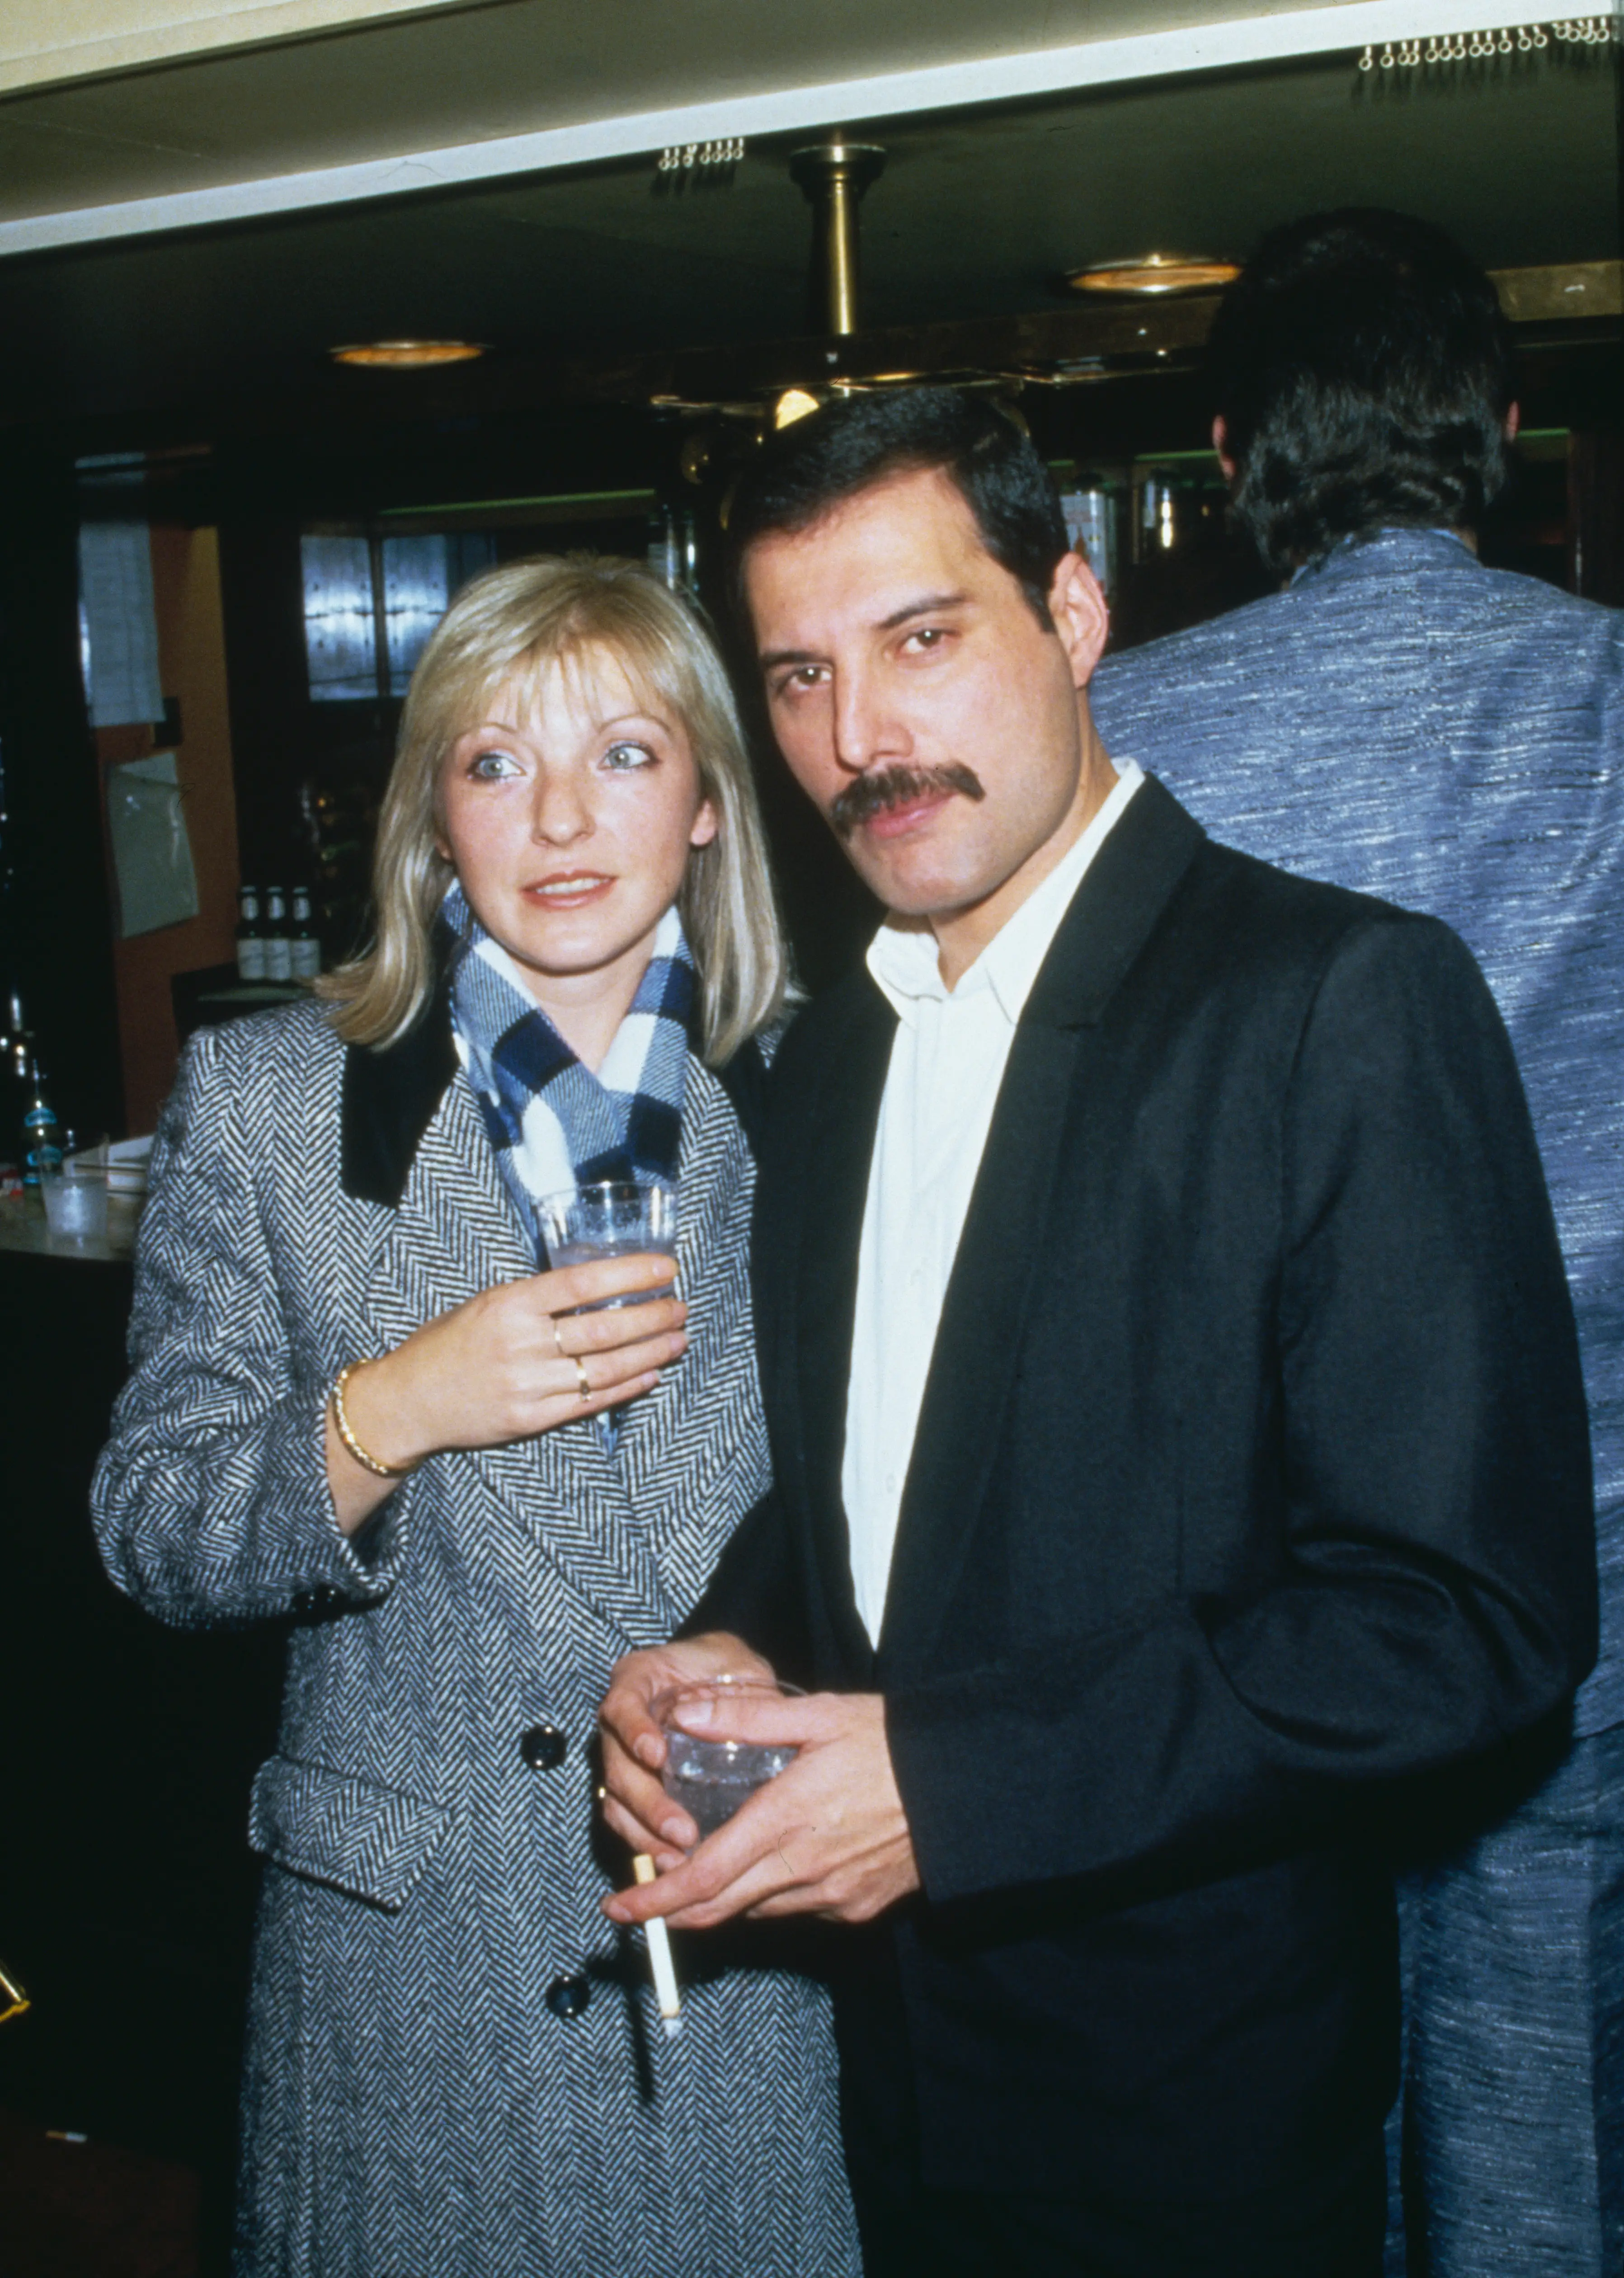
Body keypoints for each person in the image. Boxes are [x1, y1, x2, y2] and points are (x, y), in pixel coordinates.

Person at [596, 386, 1598, 2278]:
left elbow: (1471, 1621)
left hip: (1192, 2127)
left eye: (920, 639)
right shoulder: (834, 1052)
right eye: (800, 677)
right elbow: (889, 1489)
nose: (860, 739)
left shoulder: (1338, 1001)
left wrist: (954, 1789)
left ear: (1071, 615)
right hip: (893, 2087)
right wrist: (739, 1637)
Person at [90, 556, 860, 2278]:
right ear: (435, 818)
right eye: (497, 763)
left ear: (713, 801)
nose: (561, 819)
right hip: (409, 1999)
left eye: (625, 755)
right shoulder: (273, 1103)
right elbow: (152, 1531)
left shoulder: (825, 1092)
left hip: (743, 1975)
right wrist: (392, 1408)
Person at [1088, 207, 1624, 2278]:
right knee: (1539, 2124)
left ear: (1233, 454)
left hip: (1246, 1580)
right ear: (1499, 427)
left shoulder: (1127, 738)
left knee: (1255, 2132)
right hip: (1590, 1555)